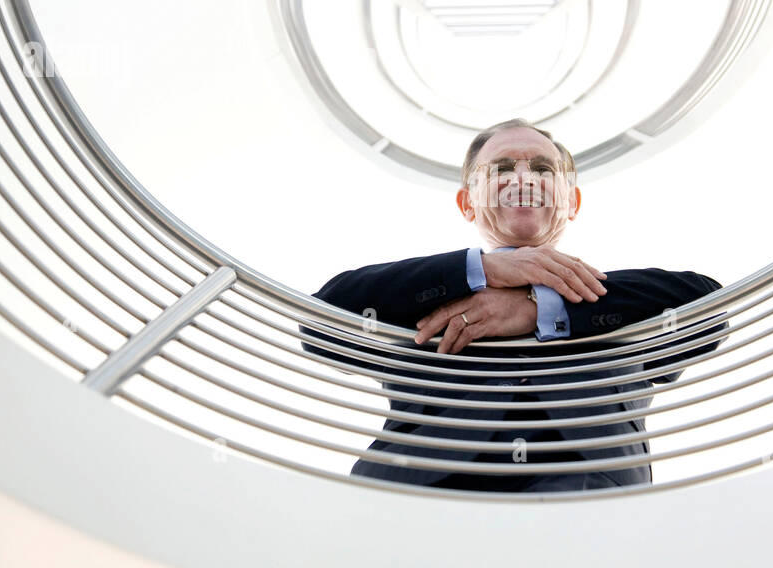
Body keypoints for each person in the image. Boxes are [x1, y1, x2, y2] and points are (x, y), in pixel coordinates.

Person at [300, 118, 724, 492]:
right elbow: (321, 324)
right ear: (468, 202)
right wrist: (484, 270)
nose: (524, 178)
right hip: (416, 495)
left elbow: (708, 309)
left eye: (542, 168)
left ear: (570, 201)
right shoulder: (420, 294)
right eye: (502, 168)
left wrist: (538, 306)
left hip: (592, 497)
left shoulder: (630, 301)